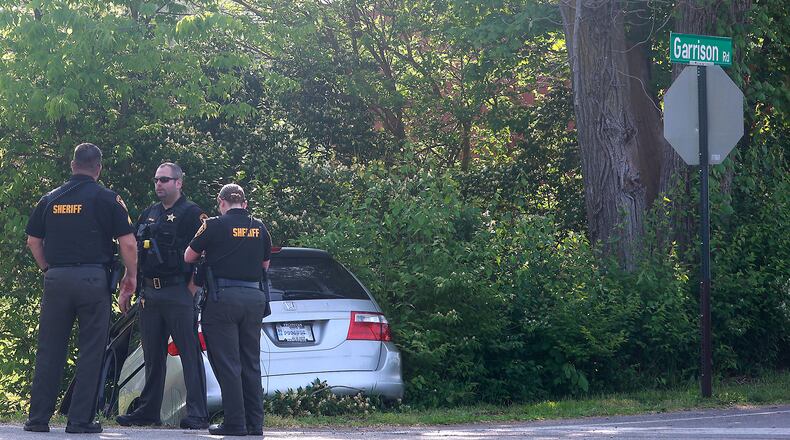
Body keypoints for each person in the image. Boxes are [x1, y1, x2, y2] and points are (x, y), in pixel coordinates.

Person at [23, 143, 138, 434]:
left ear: (73, 165)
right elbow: (127, 243)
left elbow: (33, 242)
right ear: (98, 168)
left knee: (50, 349)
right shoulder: (108, 198)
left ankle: (38, 419)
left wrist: (49, 269)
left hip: (57, 280)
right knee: (91, 350)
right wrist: (130, 276)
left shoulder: (50, 199)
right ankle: (79, 421)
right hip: (92, 280)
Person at [115, 162, 209, 429]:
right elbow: (134, 250)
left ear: (179, 183)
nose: (159, 184)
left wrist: (193, 287)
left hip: (178, 290)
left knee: (189, 354)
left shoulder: (192, 214)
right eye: (156, 180)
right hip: (149, 293)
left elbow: (205, 253)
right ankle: (148, 411)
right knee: (153, 356)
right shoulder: (149, 213)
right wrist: (129, 282)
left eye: (165, 180)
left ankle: (198, 413)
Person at [184, 184, 271, 436]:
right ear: (244, 203)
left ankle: (235, 423)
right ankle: (255, 424)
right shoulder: (260, 226)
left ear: (221, 202)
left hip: (223, 299)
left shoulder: (213, 225)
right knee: (250, 363)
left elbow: (189, 256)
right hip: (255, 299)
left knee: (228, 363)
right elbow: (265, 264)